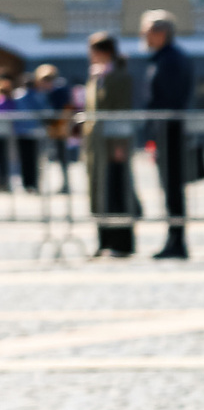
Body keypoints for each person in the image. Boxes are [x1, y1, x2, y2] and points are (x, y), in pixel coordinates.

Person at [138, 12, 196, 259]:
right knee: (170, 188)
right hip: (166, 129)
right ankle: (174, 238)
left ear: (161, 33)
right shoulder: (164, 57)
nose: (144, 37)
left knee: (172, 187)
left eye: (147, 32)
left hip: (171, 129)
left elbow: (168, 98)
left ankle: (177, 241)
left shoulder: (170, 59)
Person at [82, 32, 138, 258]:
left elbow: (120, 110)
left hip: (113, 142)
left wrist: (119, 144)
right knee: (99, 191)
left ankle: (122, 242)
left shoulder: (119, 76)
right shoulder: (98, 75)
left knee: (116, 190)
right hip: (97, 144)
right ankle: (104, 240)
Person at [30, 64, 74, 194]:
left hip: (58, 128)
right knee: (41, 157)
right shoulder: (39, 92)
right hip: (43, 129)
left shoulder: (60, 91)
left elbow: (65, 109)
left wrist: (63, 126)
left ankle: (66, 183)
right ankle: (38, 184)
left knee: (62, 157)